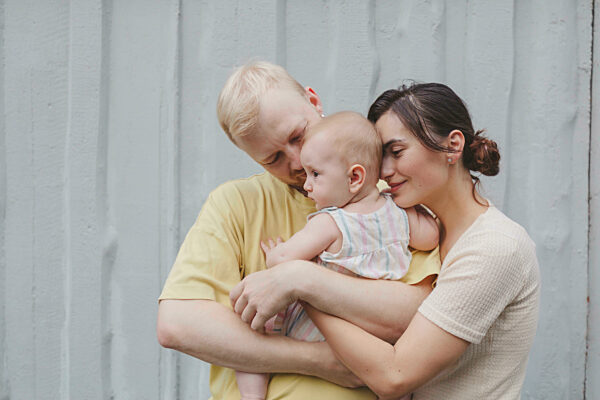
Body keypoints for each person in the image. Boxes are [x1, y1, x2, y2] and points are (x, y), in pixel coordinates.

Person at [231, 82, 541, 399]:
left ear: (452, 146)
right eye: (381, 156)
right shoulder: (417, 231)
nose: (384, 169)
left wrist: (301, 283)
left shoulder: (496, 247)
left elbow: (394, 375)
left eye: (396, 152)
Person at [156, 61, 441, 400]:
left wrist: (300, 281)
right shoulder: (235, 204)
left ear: (314, 102)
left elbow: (421, 315)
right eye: (272, 158)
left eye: (297, 136)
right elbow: (177, 324)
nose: (295, 160)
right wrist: (319, 361)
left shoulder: (386, 195)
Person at [234, 111, 439, 400]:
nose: (307, 185)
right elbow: (431, 237)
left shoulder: (329, 222)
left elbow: (284, 262)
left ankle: (252, 397)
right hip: (370, 338)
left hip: (312, 330)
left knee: (253, 327)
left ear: (355, 177)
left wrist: (272, 255)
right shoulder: (399, 215)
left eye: (315, 175)